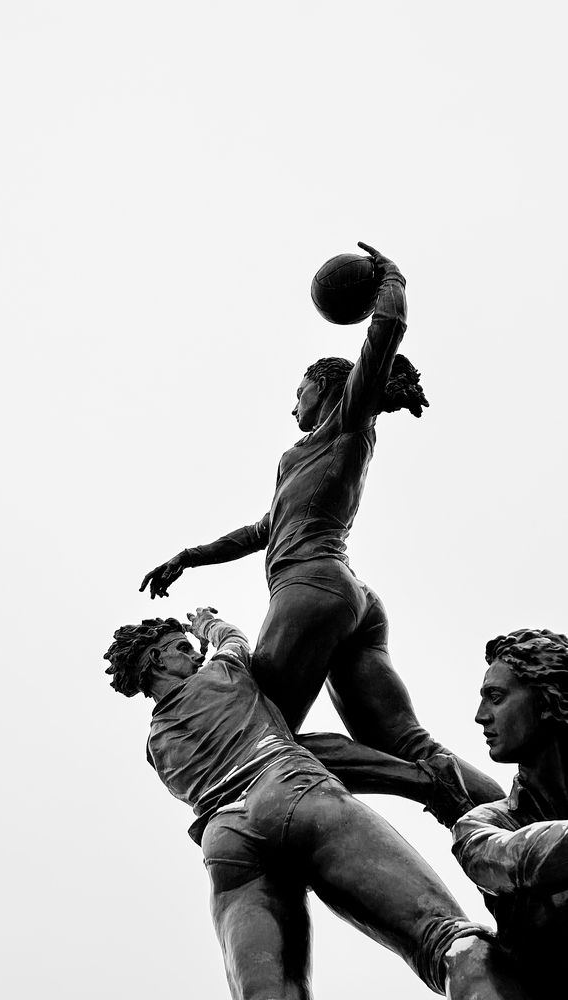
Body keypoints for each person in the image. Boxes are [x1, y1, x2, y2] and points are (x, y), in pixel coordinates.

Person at [139, 242, 503, 809]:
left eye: (300, 393)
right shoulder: (303, 456)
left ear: (326, 389)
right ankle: (517, 820)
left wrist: (393, 282)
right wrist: (190, 555)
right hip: (348, 595)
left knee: (260, 738)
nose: (294, 406)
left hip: (310, 590)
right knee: (403, 740)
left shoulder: (348, 424)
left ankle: (427, 785)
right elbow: (264, 527)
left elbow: (384, 334)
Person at [104, 607, 529, 999]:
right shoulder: (222, 671)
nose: (194, 656)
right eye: (181, 649)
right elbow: (235, 639)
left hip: (224, 841)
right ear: (158, 661)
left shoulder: (154, 746)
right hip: (289, 788)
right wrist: (206, 627)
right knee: (446, 941)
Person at [452, 628, 568, 992]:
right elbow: (518, 859)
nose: (480, 716)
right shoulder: (481, 826)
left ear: (549, 701)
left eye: (496, 697)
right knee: (468, 954)